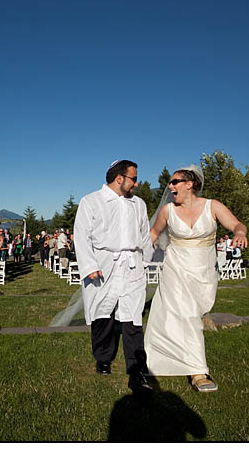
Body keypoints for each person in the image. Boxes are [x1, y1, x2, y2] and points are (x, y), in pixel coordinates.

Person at [145, 164, 248, 393]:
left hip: (203, 271)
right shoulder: (167, 211)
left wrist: (239, 233)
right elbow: (153, 234)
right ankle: (199, 372)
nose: (170, 186)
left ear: (189, 184)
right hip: (175, 268)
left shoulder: (213, 206)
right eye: (170, 183)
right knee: (187, 315)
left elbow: (236, 224)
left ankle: (176, 359)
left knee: (191, 314)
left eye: (175, 182)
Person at [74, 159, 154, 394]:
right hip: (103, 264)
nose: (136, 184)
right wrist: (89, 266)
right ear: (119, 178)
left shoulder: (138, 204)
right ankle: (103, 357)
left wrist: (145, 261)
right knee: (102, 313)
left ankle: (136, 370)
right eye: (133, 178)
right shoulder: (91, 201)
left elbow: (144, 234)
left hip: (132, 265)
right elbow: (81, 236)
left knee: (132, 317)